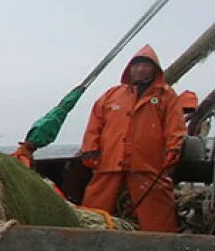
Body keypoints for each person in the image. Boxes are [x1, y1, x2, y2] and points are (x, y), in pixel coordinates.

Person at [78, 45, 186, 232]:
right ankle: (85, 244)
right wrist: (90, 149)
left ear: (155, 70)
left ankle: (162, 248)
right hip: (109, 163)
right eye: (136, 66)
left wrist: (173, 149)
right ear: (129, 69)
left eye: (145, 65)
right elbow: (95, 125)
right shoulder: (112, 95)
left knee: (158, 214)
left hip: (148, 166)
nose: (140, 69)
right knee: (93, 213)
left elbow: (175, 126)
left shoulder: (166, 96)